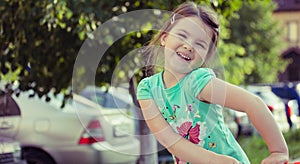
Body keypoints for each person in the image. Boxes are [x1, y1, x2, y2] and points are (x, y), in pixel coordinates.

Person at [136, 2, 289, 164]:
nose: (188, 46)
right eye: (182, 35)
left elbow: (252, 103)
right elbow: (170, 141)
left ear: (206, 56)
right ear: (164, 38)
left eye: (200, 44)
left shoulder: (198, 82)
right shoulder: (147, 89)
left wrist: (278, 151)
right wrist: (215, 161)